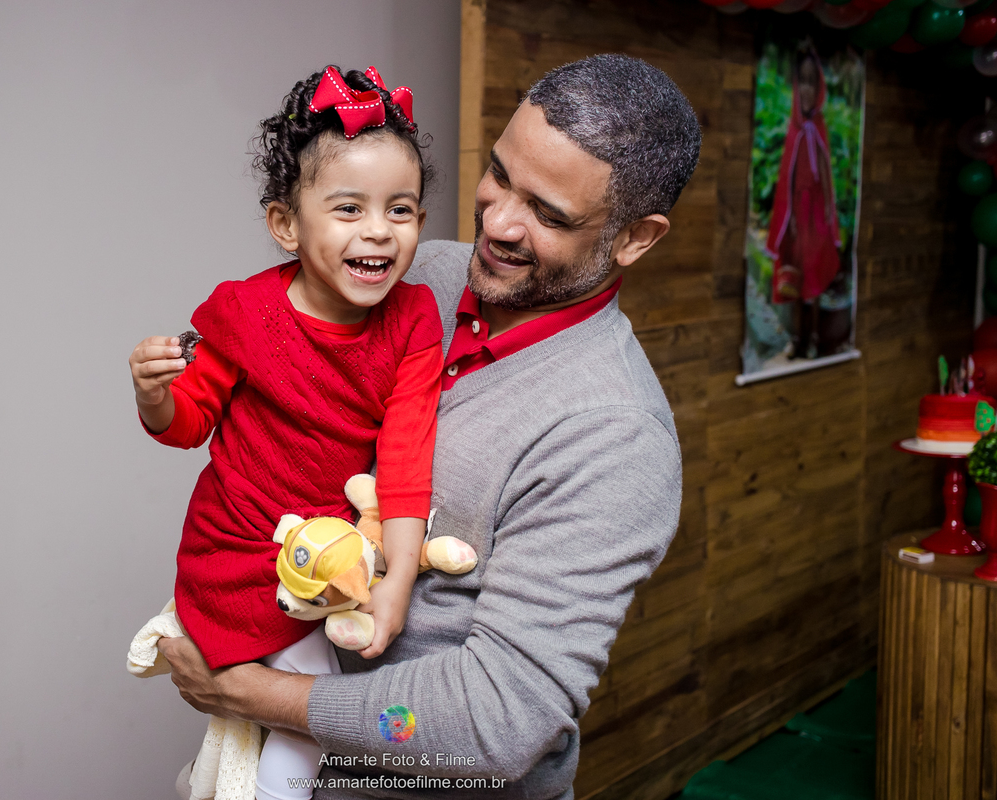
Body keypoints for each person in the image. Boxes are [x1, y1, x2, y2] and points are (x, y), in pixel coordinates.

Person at [158, 54, 701, 799]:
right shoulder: (419, 276)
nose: (498, 223)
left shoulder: (616, 438)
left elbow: (496, 725)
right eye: (499, 175)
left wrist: (253, 693)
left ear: (635, 238)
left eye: (548, 215)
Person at [129, 65, 444, 800]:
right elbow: (188, 426)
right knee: (298, 718)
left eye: (400, 209)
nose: (378, 229)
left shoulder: (415, 319)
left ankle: (228, 781)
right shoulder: (242, 312)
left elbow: (406, 461)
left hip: (322, 559)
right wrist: (154, 397)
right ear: (286, 225)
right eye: (349, 208)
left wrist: (397, 583)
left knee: (302, 724)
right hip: (234, 547)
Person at [766, 44, 841, 360]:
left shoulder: (819, 126)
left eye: (813, 82)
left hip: (817, 214)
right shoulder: (795, 129)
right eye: (803, 82)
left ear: (819, 88)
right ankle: (798, 339)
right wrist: (792, 219)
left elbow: (825, 173)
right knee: (796, 280)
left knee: (815, 275)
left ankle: (814, 337)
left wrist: (829, 211)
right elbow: (788, 179)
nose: (808, 89)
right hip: (798, 214)